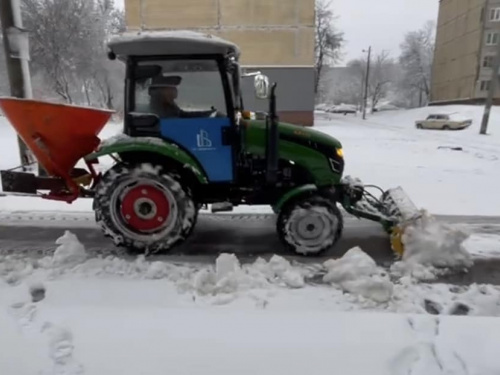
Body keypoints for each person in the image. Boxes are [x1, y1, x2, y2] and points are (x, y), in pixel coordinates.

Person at [148, 75, 216, 119]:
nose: (175, 92)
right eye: (172, 88)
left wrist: (207, 114)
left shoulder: (168, 106)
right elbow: (177, 122)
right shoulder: (159, 110)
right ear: (162, 91)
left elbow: (183, 115)